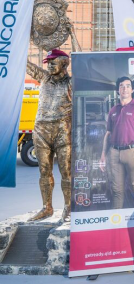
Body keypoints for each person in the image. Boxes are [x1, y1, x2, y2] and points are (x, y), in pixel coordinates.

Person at [26, 50, 73, 222]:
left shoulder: (71, 83)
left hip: (63, 130)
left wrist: (73, 36)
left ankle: (68, 207)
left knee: (66, 172)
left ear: (64, 63)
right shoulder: (45, 77)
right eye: (48, 62)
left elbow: (84, 62)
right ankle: (47, 207)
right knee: (44, 172)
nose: (49, 64)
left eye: (53, 61)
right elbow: (26, 65)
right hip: (41, 131)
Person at [100, 77, 134, 208]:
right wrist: (103, 155)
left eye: (128, 86)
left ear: (132, 89)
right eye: (122, 86)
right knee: (117, 191)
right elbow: (108, 134)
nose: (125, 88)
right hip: (114, 153)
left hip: (132, 152)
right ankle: (117, 222)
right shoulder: (113, 110)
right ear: (118, 90)